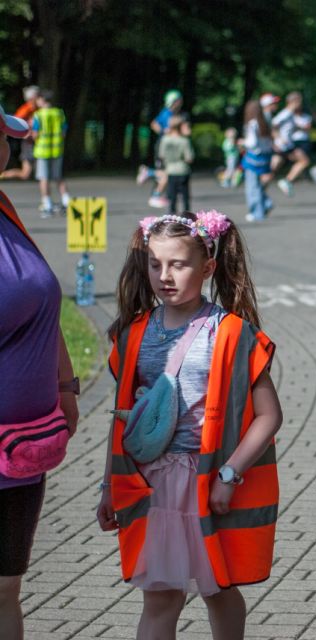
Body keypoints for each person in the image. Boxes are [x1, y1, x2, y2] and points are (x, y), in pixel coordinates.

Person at [96, 209, 282, 640]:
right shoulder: (133, 334)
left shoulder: (232, 334)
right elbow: (123, 419)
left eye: (179, 264)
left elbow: (269, 416)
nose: (165, 275)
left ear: (208, 267)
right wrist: (110, 484)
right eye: (155, 263)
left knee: (218, 587)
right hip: (152, 484)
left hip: (209, 479)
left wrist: (230, 475)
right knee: (160, 597)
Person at [0, 104, 79, 640]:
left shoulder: (5, 208)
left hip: (25, 448)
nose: (11, 144)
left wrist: (66, 385)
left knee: (6, 588)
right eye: (3, 134)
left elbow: (44, 305)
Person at [142, 90, 191, 209]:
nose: (181, 103)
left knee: (168, 174)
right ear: (174, 101)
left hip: (172, 145)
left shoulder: (177, 113)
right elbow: (154, 124)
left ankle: (157, 192)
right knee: (166, 173)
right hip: (165, 146)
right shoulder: (166, 113)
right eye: (179, 100)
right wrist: (164, 131)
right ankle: (150, 177)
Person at [31, 90, 71, 217]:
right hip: (57, 150)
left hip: (43, 151)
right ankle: (66, 201)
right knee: (58, 177)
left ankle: (47, 204)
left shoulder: (38, 115)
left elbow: (35, 134)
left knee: (44, 178)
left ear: (42, 100)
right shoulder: (59, 113)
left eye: (37, 99)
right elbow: (64, 132)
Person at [272, 91, 312, 196]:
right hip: (283, 145)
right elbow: (273, 125)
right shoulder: (286, 113)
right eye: (299, 101)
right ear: (293, 102)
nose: (301, 104)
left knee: (275, 165)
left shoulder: (291, 114)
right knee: (304, 161)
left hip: (287, 144)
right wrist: (279, 138)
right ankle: (286, 180)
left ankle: (285, 181)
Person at [241, 99, 274, 222]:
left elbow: (252, 143)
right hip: (265, 157)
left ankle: (257, 212)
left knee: (252, 186)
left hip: (253, 158)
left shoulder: (252, 124)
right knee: (260, 186)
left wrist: (242, 142)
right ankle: (266, 204)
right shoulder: (265, 122)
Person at [157, 115, 194, 214]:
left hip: (171, 170)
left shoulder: (165, 140)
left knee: (172, 198)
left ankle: (172, 219)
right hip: (183, 170)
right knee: (185, 198)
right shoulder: (184, 140)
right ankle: (187, 218)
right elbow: (189, 158)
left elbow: (161, 155)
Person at [1, 86, 39, 180]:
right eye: (38, 96)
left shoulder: (36, 109)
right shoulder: (26, 109)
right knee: (25, 173)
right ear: (32, 98)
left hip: (36, 142)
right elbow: (17, 123)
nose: (40, 98)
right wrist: (26, 134)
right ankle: (3, 175)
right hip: (29, 143)